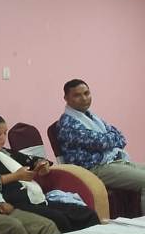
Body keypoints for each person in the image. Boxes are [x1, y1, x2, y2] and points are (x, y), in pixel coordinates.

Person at [0, 113, 100, 233]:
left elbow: (31, 159)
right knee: (60, 219)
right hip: (15, 203)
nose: (3, 138)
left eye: (5, 133)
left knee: (87, 214)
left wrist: (41, 165)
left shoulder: (5, 152)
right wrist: (16, 176)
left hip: (35, 200)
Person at [57, 79, 145, 207]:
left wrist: (108, 139)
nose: (84, 98)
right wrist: (110, 138)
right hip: (93, 169)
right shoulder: (68, 123)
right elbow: (102, 142)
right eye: (77, 95)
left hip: (110, 162)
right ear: (66, 98)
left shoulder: (92, 117)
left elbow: (121, 138)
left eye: (86, 93)